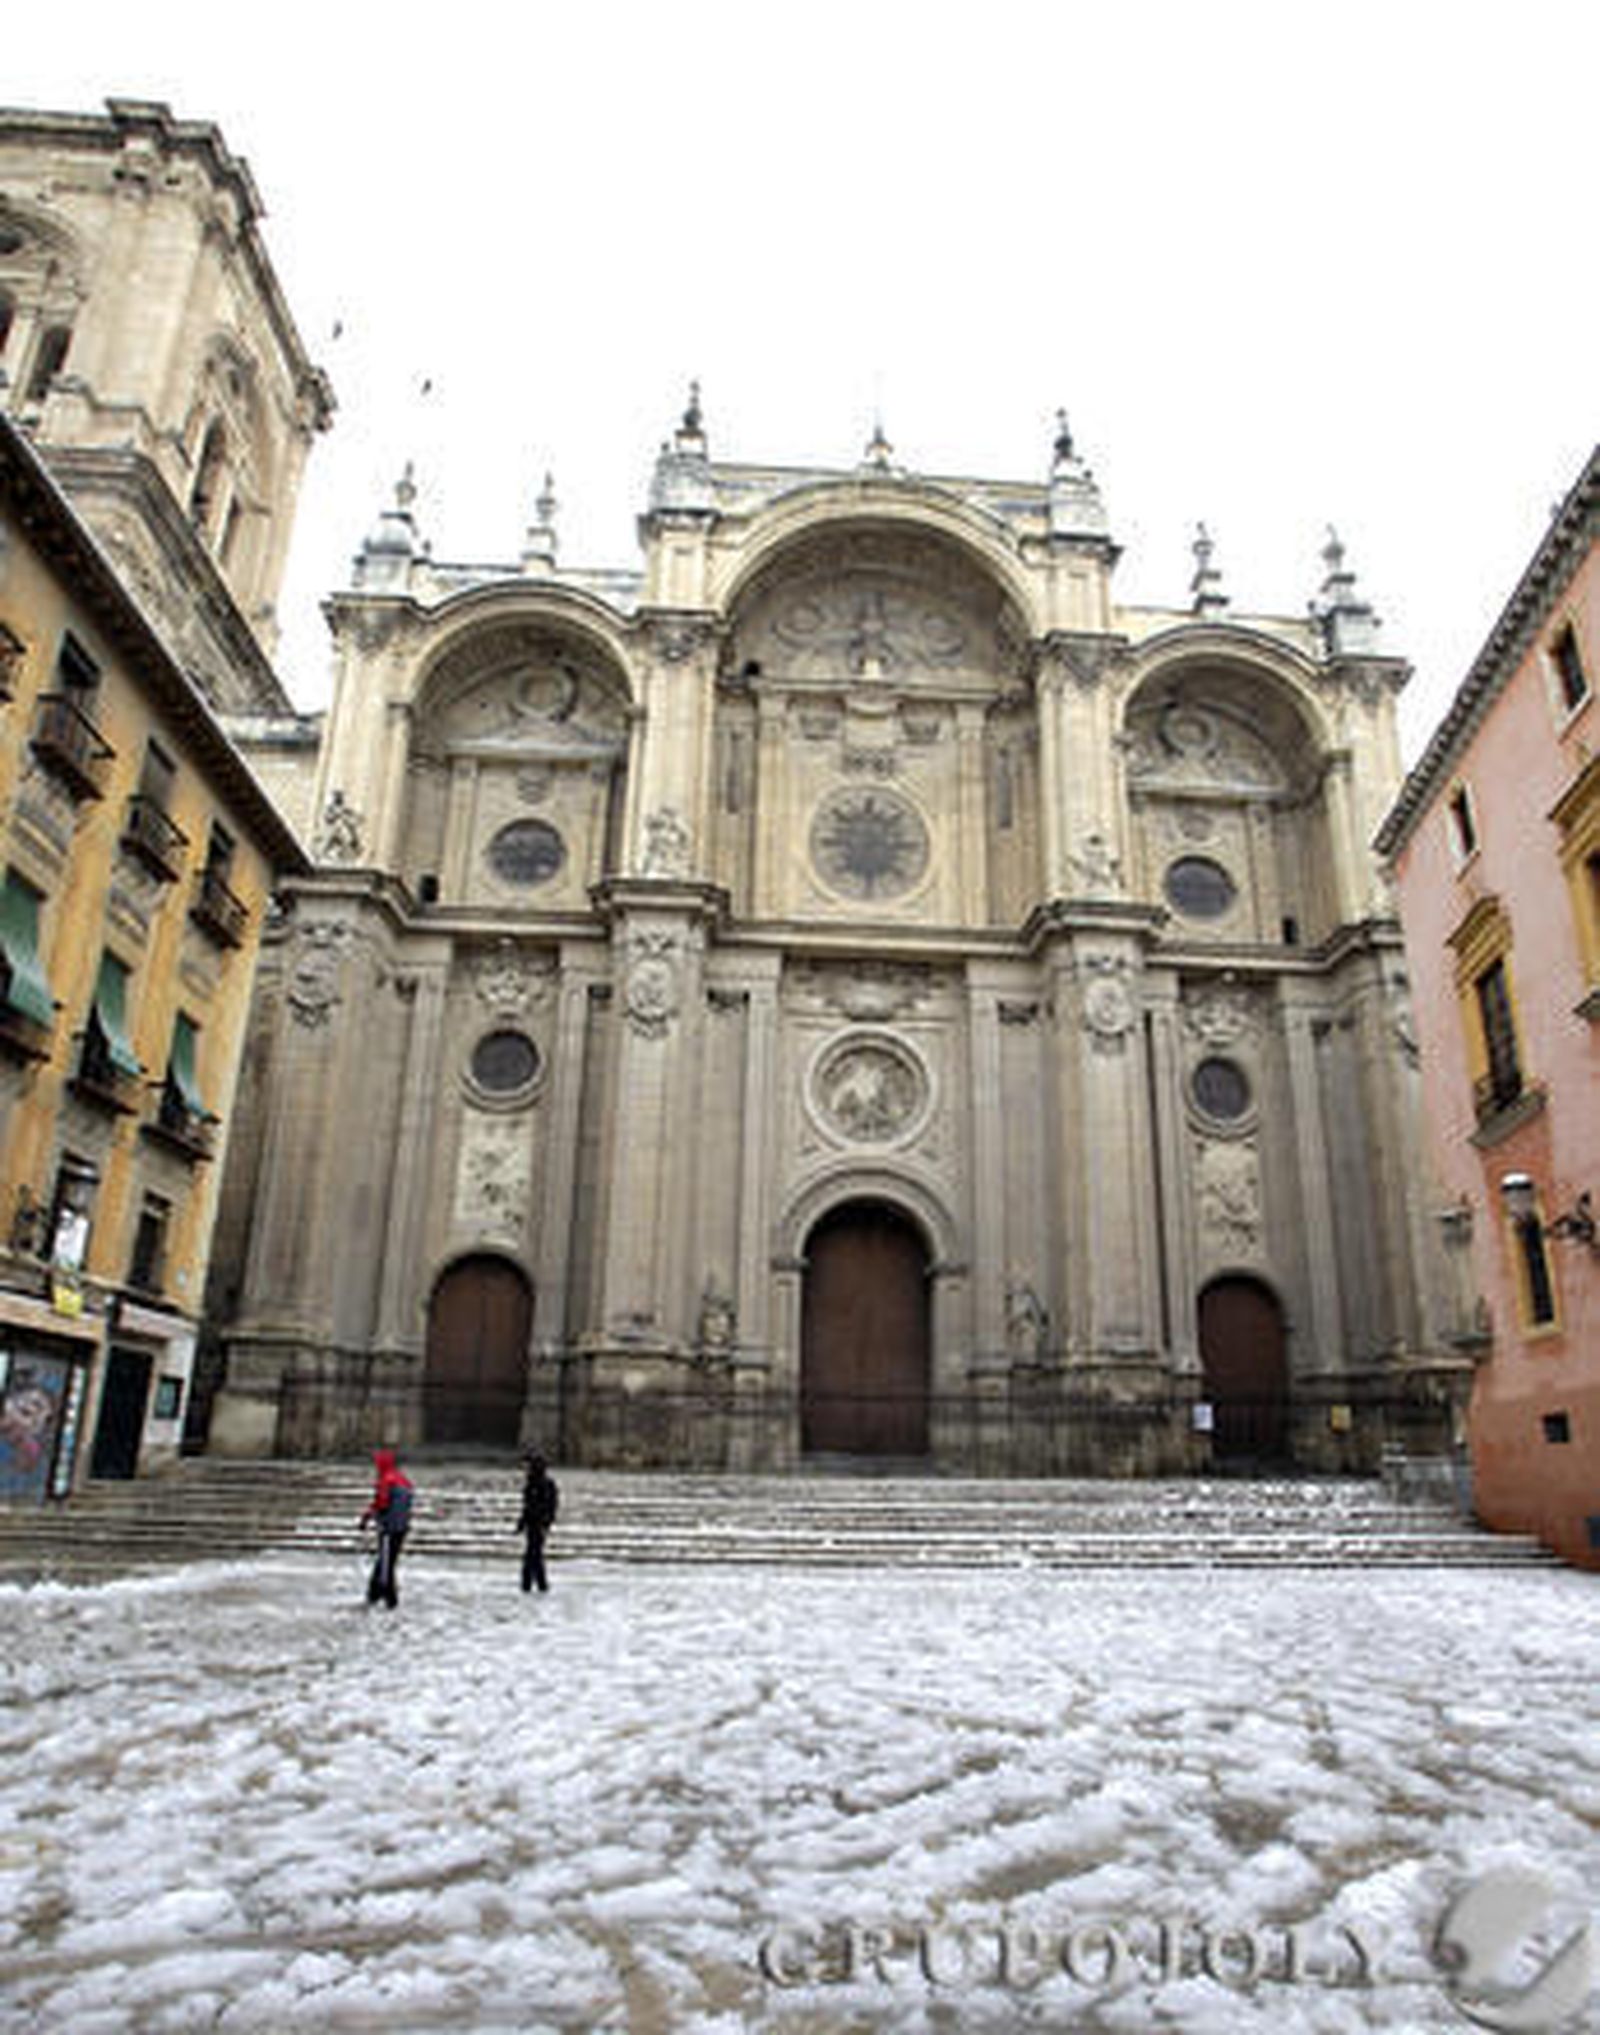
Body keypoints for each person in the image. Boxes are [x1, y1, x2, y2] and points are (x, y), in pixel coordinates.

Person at [360, 1447, 414, 1609]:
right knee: (388, 1561)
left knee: (385, 1563)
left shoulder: (386, 1480)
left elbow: (381, 1503)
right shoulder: (403, 1480)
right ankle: (376, 1593)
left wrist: (367, 1517)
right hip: (401, 1528)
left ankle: (386, 1597)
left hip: (388, 1528)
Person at [515, 1450, 559, 1594]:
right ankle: (536, 1584)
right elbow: (527, 1507)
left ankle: (533, 1584)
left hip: (539, 1525)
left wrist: (546, 1523)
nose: (525, 1470)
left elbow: (551, 1506)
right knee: (534, 1556)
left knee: (532, 1555)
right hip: (532, 1524)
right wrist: (522, 1523)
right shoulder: (530, 1485)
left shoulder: (546, 1484)